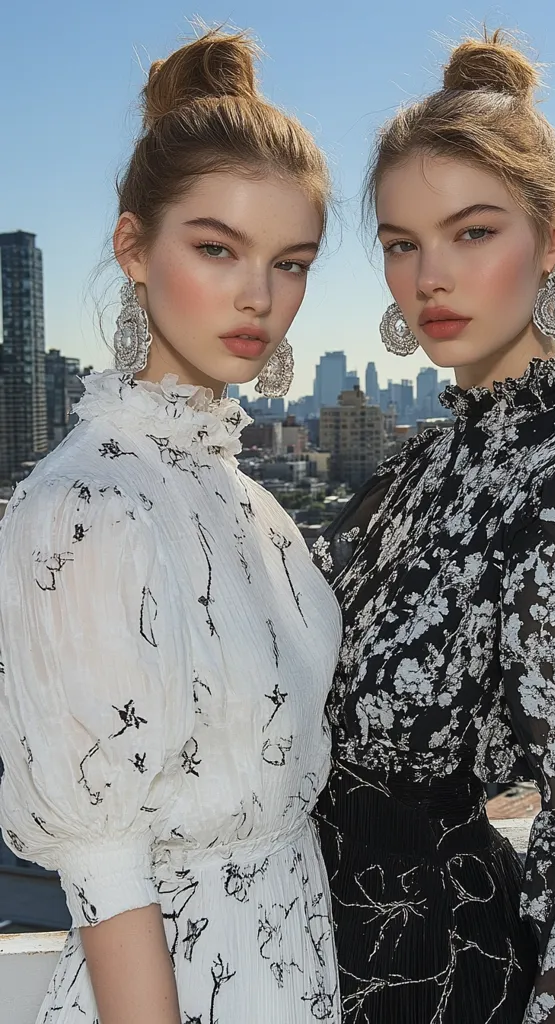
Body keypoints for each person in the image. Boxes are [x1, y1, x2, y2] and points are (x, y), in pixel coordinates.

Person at [312, 29, 555, 1024]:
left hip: (435, 984)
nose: (429, 275)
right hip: (301, 967)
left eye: (472, 232)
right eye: (401, 242)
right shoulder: (411, 470)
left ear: (552, 240)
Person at [0, 28, 341, 1024]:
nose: (258, 296)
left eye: (290, 261)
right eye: (216, 248)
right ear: (131, 248)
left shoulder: (255, 503)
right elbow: (105, 868)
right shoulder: (86, 505)